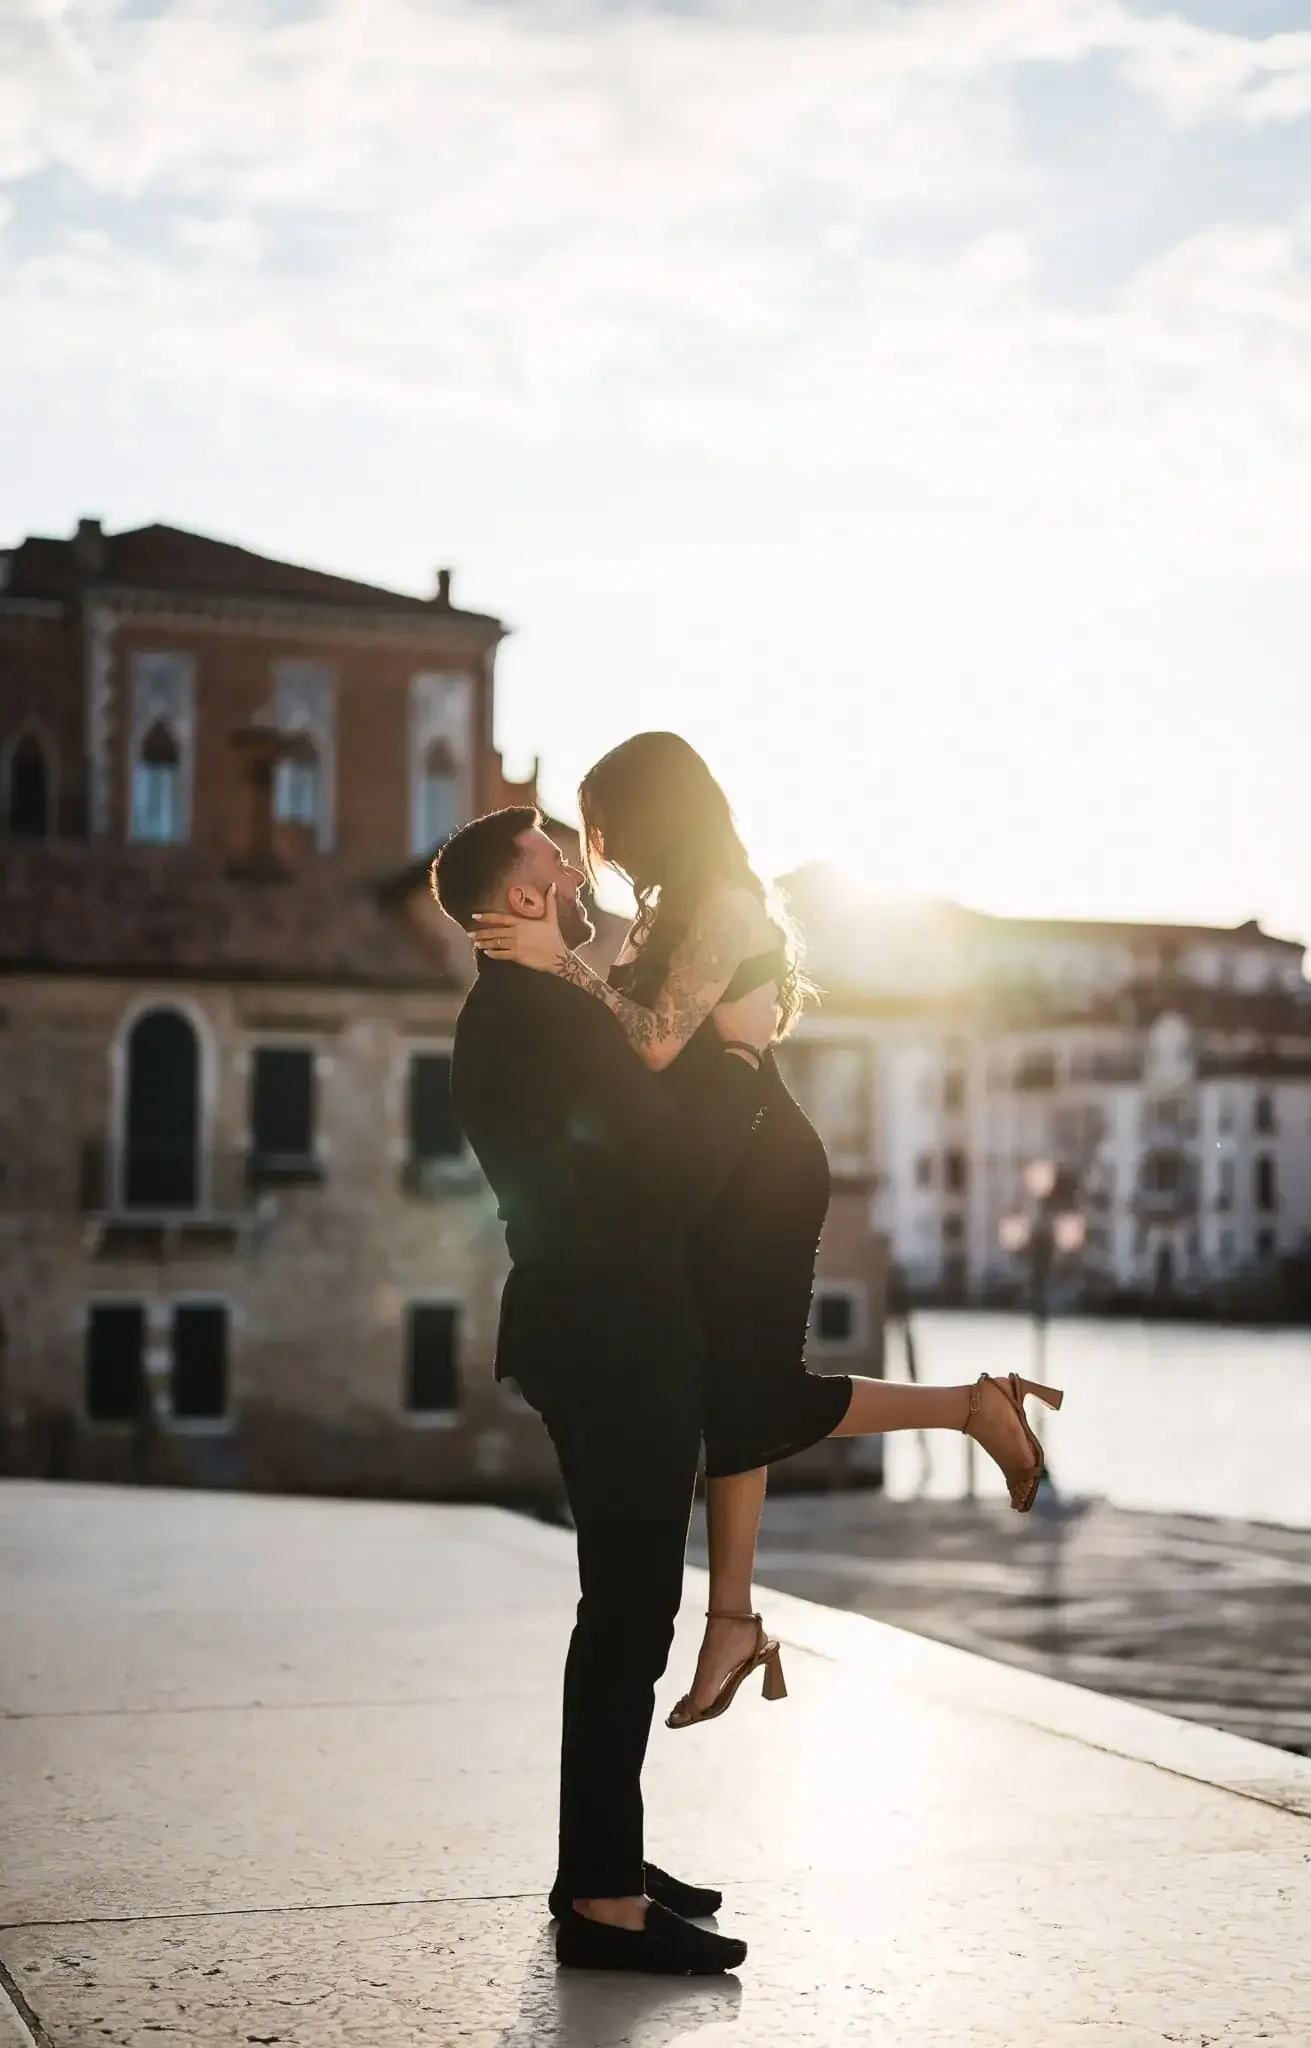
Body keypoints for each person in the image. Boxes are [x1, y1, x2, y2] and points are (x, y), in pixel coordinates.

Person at [472, 732, 1063, 1726]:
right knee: (726, 1392)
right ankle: (733, 1620)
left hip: (762, 1165)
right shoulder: (660, 916)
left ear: (653, 813)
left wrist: (552, 962)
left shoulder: (728, 908)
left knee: (757, 1390)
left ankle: (974, 1405)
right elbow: (632, 1038)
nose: (599, 851)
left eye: (606, 825)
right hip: (710, 1165)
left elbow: (652, 1044)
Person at [434, 805, 778, 1977]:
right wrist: (739, 1055)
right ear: (520, 897)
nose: (576, 870)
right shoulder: (546, 1021)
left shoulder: (516, 1009)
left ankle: (605, 1860)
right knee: (627, 1617)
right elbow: (680, 1173)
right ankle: (605, 1902)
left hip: (585, 1329)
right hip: (618, 1336)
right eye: (551, 861)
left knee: (620, 1610)